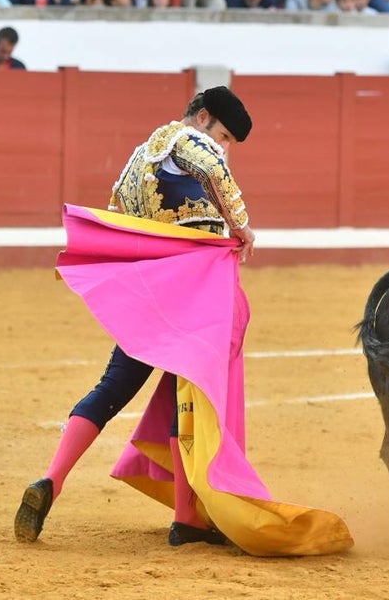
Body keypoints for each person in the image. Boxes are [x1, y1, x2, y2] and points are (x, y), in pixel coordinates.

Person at [13, 85, 255, 548]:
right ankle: (186, 520)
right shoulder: (191, 141)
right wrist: (242, 224)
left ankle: (51, 480)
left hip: (151, 291)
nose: (223, 149)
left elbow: (118, 211)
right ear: (202, 117)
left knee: (114, 387)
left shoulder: (139, 156)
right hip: (192, 289)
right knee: (189, 393)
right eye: (223, 135)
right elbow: (212, 168)